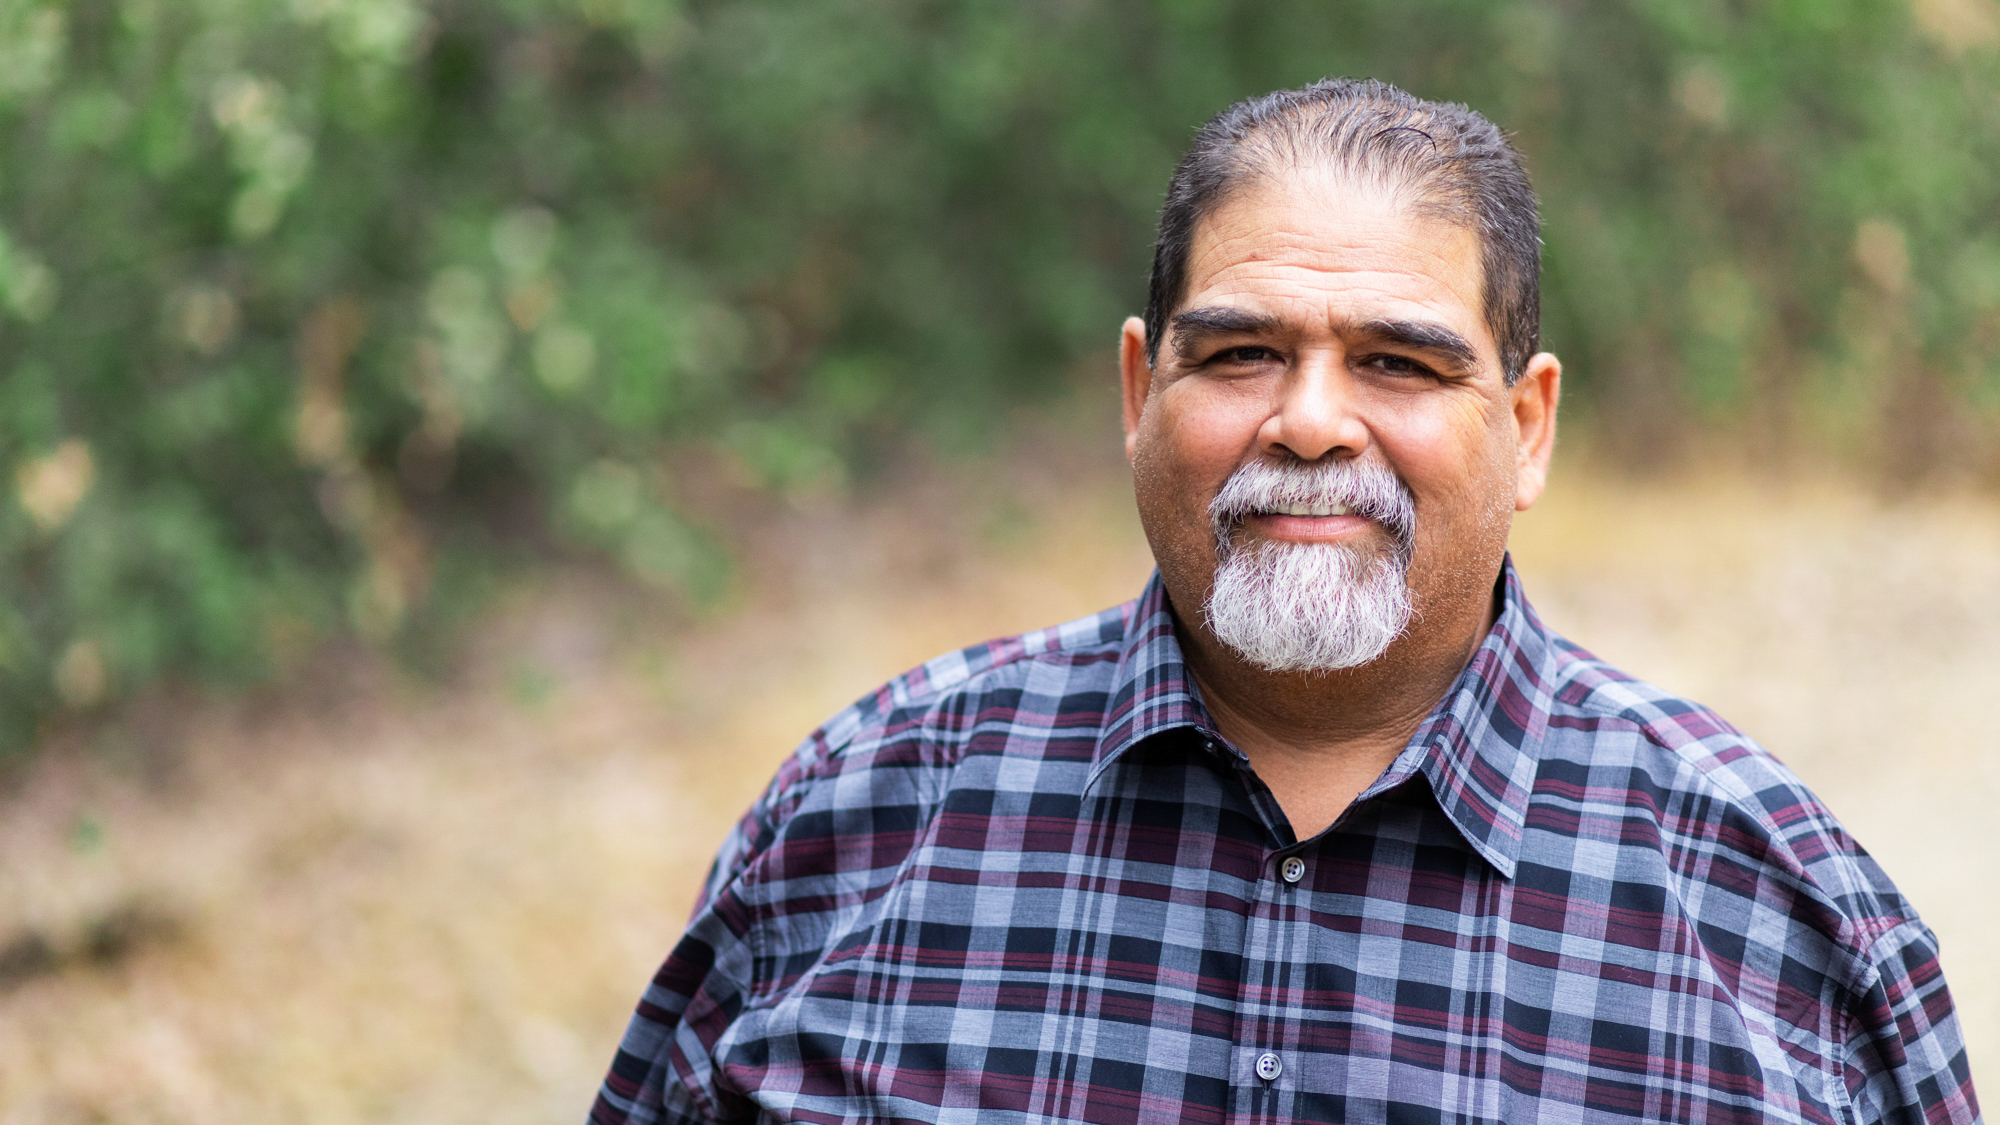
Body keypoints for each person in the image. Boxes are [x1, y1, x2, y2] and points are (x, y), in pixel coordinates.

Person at [590, 79, 1979, 1124]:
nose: (1311, 422)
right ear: (1143, 396)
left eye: (1398, 363)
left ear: (1529, 425)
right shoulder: (861, 821)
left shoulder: (1779, 923)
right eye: (1243, 351)